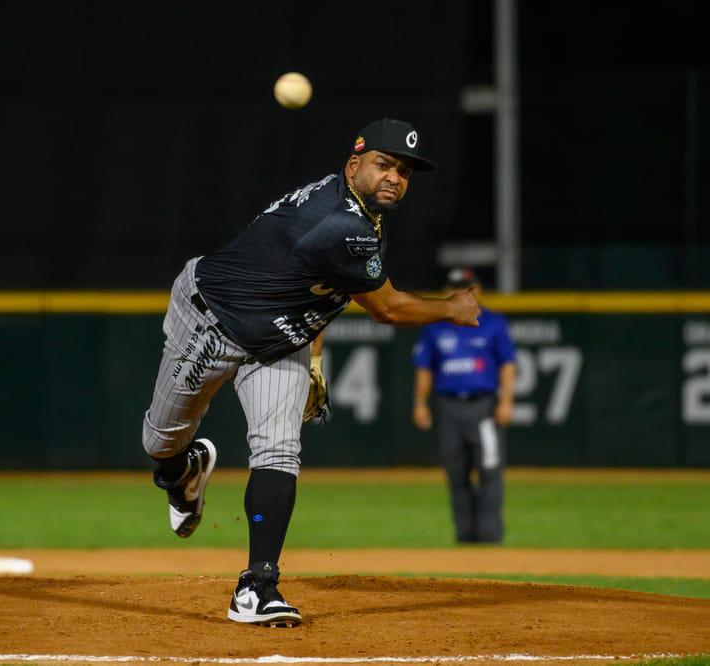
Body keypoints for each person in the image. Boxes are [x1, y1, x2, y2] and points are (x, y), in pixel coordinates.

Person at [141, 119, 481, 627]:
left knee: (279, 449)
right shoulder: (340, 223)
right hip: (212, 319)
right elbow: (386, 309)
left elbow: (311, 287)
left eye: (404, 171)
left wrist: (314, 357)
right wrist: (451, 309)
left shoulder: (359, 210)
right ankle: (179, 472)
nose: (395, 177)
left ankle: (257, 587)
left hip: (277, 337)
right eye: (384, 164)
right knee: (160, 440)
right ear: (353, 165)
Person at [411, 268, 516, 544]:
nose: (459, 291)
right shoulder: (434, 326)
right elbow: (424, 368)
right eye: (454, 286)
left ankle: (490, 536)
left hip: (483, 407)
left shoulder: (493, 322)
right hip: (449, 407)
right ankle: (465, 537)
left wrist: (506, 401)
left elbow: (507, 364)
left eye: (465, 287)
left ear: (476, 290)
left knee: (490, 471)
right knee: (456, 473)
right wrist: (420, 403)